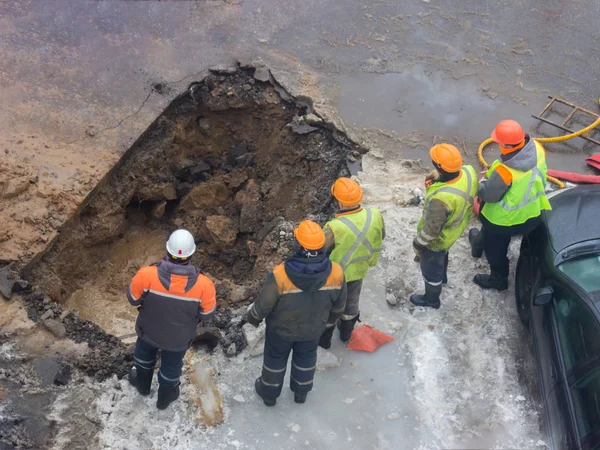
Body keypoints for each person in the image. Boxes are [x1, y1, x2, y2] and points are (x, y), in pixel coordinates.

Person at [246, 220, 347, 406]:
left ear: (298, 245)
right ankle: (301, 393)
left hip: (280, 331)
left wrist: (253, 317)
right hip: (313, 329)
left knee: (275, 359)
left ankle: (269, 393)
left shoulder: (281, 275)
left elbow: (264, 304)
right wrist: (328, 322)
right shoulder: (336, 273)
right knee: (306, 358)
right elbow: (339, 306)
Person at [127, 229, 216, 410]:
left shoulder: (147, 274)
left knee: (144, 356)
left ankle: (142, 386)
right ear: (191, 253)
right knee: (172, 365)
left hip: (148, 331)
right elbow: (207, 315)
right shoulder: (204, 285)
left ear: (168, 250)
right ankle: (165, 398)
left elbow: (133, 299)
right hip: (179, 338)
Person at [469, 119, 551, 290]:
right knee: (488, 236)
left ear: (505, 145)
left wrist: (480, 182)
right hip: (532, 214)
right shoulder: (537, 148)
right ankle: (478, 245)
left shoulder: (504, 170)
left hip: (502, 221)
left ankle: (498, 280)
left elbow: (488, 195)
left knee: (495, 250)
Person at [410, 144, 477, 309]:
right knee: (442, 257)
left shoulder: (442, 200)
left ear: (439, 166)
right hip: (455, 229)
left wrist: (418, 243)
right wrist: (437, 177)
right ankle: (443, 277)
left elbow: (432, 231)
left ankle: (431, 299)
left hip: (438, 240)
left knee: (431, 269)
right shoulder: (469, 171)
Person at [319, 177, 384, 346]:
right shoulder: (374, 215)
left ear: (340, 202)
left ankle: (324, 341)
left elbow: (320, 251)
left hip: (335, 277)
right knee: (351, 305)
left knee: (329, 309)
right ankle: (346, 335)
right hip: (359, 270)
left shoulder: (335, 227)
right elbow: (380, 236)